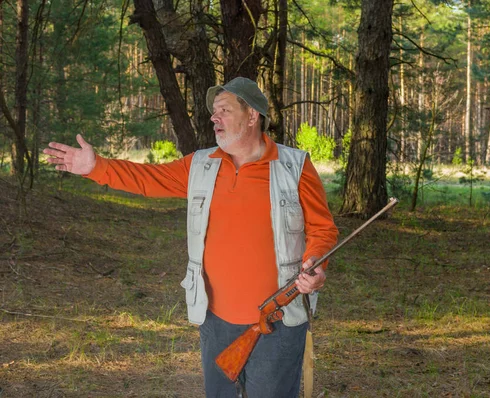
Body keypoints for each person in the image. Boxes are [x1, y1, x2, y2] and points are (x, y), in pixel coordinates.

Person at [43, 77, 338, 398]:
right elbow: (148, 179)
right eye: (214, 111)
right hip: (215, 320)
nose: (214, 118)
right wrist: (96, 167)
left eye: (224, 110)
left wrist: (315, 265)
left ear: (252, 115)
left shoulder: (295, 166)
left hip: (279, 322)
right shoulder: (201, 164)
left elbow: (322, 228)